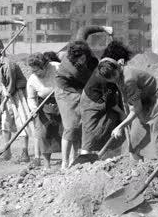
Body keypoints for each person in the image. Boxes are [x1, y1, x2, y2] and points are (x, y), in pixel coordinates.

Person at [102, 40, 158, 160]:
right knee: (136, 136)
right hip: (142, 100)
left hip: (156, 100)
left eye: (114, 76)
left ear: (117, 69)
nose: (114, 79)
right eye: (110, 79)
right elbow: (130, 102)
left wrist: (119, 126)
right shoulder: (118, 73)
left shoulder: (128, 80)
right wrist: (125, 119)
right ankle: (136, 168)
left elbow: (136, 109)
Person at [54, 25, 113, 168]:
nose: (80, 61)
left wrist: (105, 29)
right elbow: (92, 82)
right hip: (66, 92)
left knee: (82, 123)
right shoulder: (73, 68)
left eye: (81, 58)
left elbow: (83, 30)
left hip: (80, 88)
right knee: (71, 127)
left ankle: (78, 157)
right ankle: (64, 163)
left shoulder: (80, 44)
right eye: (77, 60)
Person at [78, 58, 125, 157]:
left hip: (105, 97)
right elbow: (110, 101)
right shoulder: (104, 81)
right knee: (90, 130)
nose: (115, 79)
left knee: (110, 123)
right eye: (112, 79)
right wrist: (122, 113)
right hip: (91, 100)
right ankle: (84, 158)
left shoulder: (109, 65)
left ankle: (110, 155)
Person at [26, 52, 62, 168]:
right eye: (33, 70)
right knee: (44, 135)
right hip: (43, 106)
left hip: (62, 102)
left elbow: (69, 78)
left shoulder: (57, 67)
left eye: (37, 70)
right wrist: (33, 109)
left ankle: (68, 160)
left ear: (45, 66)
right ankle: (46, 165)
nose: (34, 73)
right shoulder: (32, 79)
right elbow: (31, 97)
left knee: (66, 131)